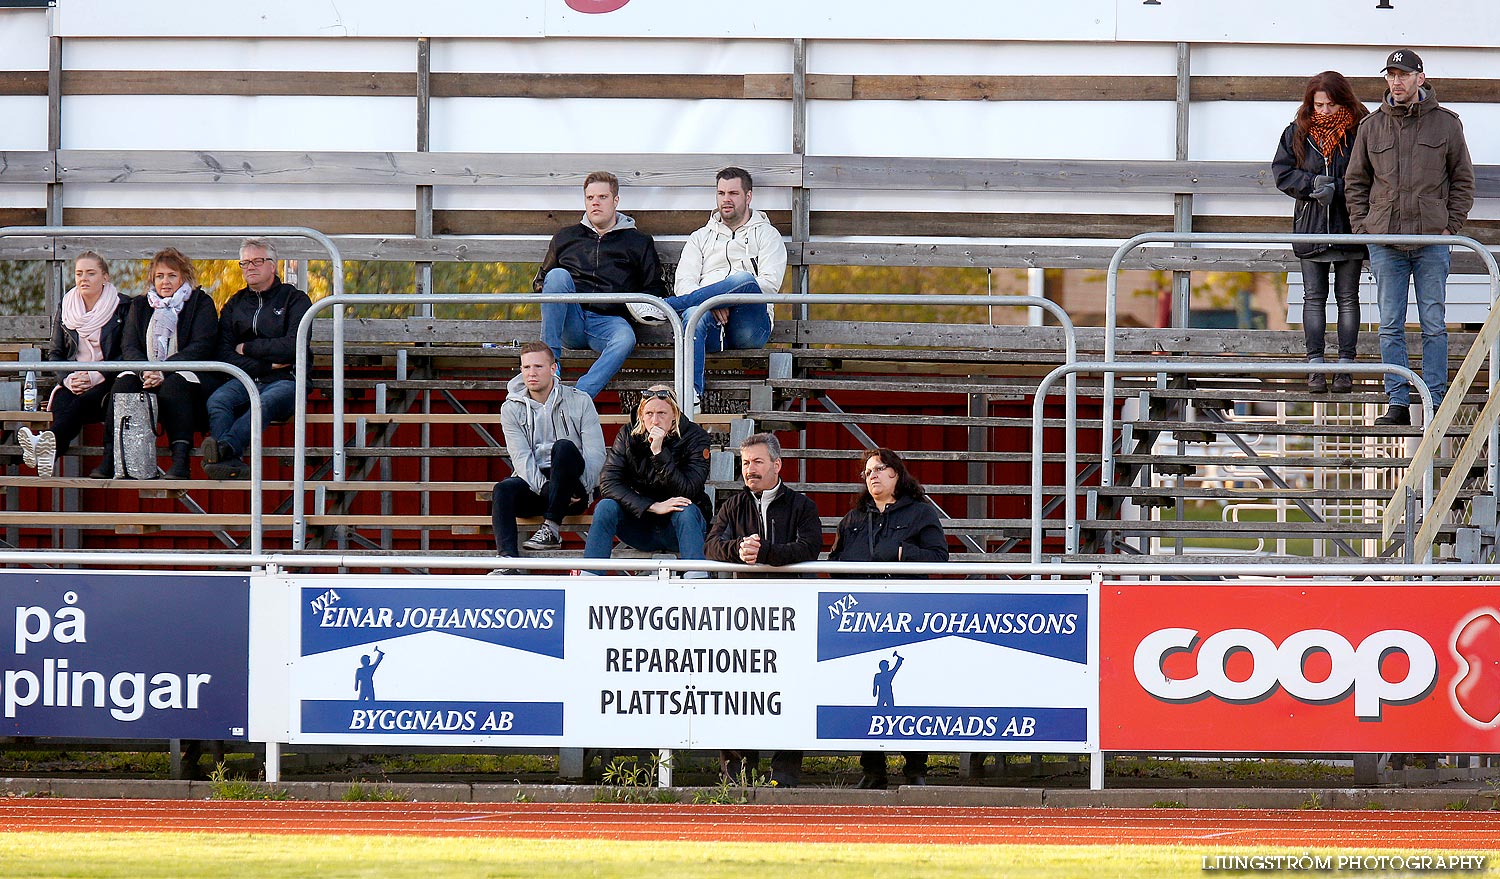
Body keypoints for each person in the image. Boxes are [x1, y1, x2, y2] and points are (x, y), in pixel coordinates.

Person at [1345, 49, 1475, 425]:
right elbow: (1356, 183)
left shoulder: (1447, 124)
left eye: (1403, 74)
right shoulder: (1371, 127)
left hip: (1432, 242)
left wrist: (1451, 226)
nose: (1396, 81)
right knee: (1390, 324)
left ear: (1420, 77)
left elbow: (1463, 180)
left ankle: (1433, 401)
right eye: (1390, 75)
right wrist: (1364, 230)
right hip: (1385, 243)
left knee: (1434, 324)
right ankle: (1398, 403)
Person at [704, 432, 823, 788]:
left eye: (757, 462)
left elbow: (810, 548)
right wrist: (739, 550)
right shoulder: (732, 505)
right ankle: (736, 774)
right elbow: (711, 545)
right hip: (742, 616)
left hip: (790, 616)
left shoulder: (802, 506)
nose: (750, 470)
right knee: (738, 695)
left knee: (789, 692)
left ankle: (783, 775)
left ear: (777, 464)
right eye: (745, 463)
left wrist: (766, 554)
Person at [828, 447, 951, 790]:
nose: (873, 476)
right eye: (868, 472)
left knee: (913, 692)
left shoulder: (920, 513)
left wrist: (900, 554)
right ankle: (873, 769)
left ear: (897, 474)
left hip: (909, 614)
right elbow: (835, 565)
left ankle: (915, 768)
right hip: (864, 620)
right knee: (864, 697)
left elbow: (940, 559)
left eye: (880, 469)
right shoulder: (853, 519)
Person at [1272, 71, 1369, 394]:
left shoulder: (1360, 131)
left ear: (1343, 100)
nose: (1324, 111)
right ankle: (1315, 364)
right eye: (1318, 105)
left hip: (1349, 225)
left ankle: (1345, 367)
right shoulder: (1296, 132)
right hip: (1311, 225)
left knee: (1347, 298)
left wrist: (1338, 189)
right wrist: (1311, 185)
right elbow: (1282, 173)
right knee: (1313, 298)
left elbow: (1370, 177)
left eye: (1330, 104)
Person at [535, 171, 668, 399]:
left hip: (610, 321)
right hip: (571, 318)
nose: (595, 203)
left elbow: (654, 287)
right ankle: (551, 369)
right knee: (557, 276)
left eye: (602, 197)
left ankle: (578, 397)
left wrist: (634, 305)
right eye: (590, 198)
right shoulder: (565, 237)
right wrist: (551, 291)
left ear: (616, 200)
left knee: (625, 339)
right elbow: (542, 280)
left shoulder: (638, 241)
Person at [665, 167, 788, 408]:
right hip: (709, 327)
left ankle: (666, 307)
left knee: (744, 280)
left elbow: (768, 285)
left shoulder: (767, 235)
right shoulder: (700, 237)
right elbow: (684, 283)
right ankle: (691, 398)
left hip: (749, 327)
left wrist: (723, 300)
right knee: (692, 314)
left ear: (748, 196)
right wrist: (709, 306)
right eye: (721, 193)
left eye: (733, 193)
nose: (726, 199)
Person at [96, 247, 219, 479]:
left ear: (184, 277)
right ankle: (111, 458)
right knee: (123, 385)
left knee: (175, 385)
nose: (165, 282)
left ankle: (180, 461)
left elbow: (202, 345)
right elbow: (129, 346)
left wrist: (165, 369)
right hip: (147, 372)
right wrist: (147, 370)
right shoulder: (141, 305)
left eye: (172, 275)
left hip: (188, 373)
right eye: (160, 276)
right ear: (153, 278)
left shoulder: (200, 303)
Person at [200, 237, 311, 479]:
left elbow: (293, 347)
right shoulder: (234, 305)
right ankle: (228, 461)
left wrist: (248, 348)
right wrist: (263, 363)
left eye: (257, 261)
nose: (250, 267)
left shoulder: (296, 300)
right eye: (245, 262)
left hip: (287, 380)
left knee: (265, 402)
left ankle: (224, 449)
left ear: (273, 265)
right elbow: (224, 353)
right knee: (218, 400)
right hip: (246, 377)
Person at [491, 341, 606, 563]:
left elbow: (595, 455)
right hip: (537, 489)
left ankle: (551, 527)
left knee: (563, 447)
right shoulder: (511, 408)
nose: (531, 373)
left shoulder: (579, 401)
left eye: (538, 367)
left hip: (573, 490)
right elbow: (520, 457)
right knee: (503, 489)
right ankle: (506, 561)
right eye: (526, 368)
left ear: (553, 369)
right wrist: (545, 489)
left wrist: (583, 488)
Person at [18, 252, 128, 479]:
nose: (83, 278)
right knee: (63, 401)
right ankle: (49, 452)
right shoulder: (66, 307)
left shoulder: (122, 307)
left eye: (91, 273)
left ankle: (44, 445)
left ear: (105, 277)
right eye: (79, 273)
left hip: (106, 381)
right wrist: (68, 378)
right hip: (73, 380)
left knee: (80, 404)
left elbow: (125, 354)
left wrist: (94, 376)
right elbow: (56, 353)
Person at [584, 385, 712, 568]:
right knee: (606, 506)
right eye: (649, 414)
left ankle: (695, 579)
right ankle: (590, 578)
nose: (655, 420)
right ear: (641, 416)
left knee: (685, 508)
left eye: (662, 413)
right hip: (640, 525)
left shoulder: (696, 437)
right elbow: (608, 483)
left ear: (675, 415)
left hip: (681, 528)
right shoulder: (628, 435)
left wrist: (659, 453)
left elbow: (689, 490)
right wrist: (652, 506)